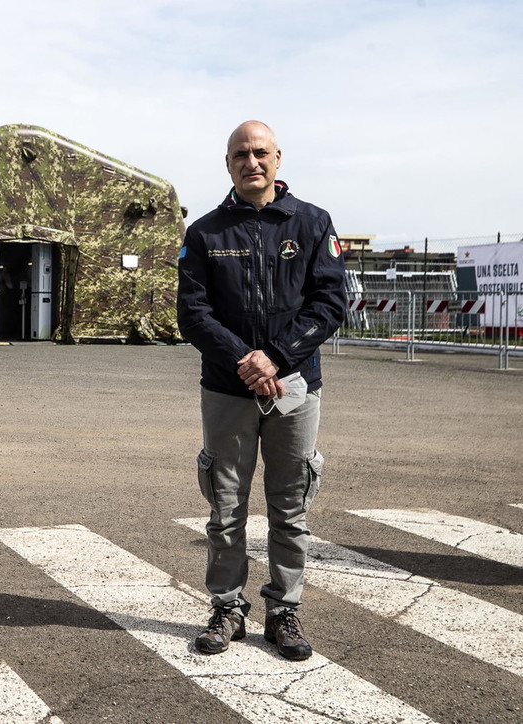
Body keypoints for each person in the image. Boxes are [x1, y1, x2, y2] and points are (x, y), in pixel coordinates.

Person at [176, 120, 346, 661]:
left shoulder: (313, 223)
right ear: (227, 165)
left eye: (260, 153)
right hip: (227, 389)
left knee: (290, 504)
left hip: (295, 387)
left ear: (278, 158)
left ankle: (284, 610)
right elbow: (192, 313)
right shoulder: (205, 233)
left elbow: (330, 304)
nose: (252, 162)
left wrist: (274, 357)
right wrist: (243, 359)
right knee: (226, 506)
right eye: (240, 155)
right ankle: (227, 608)